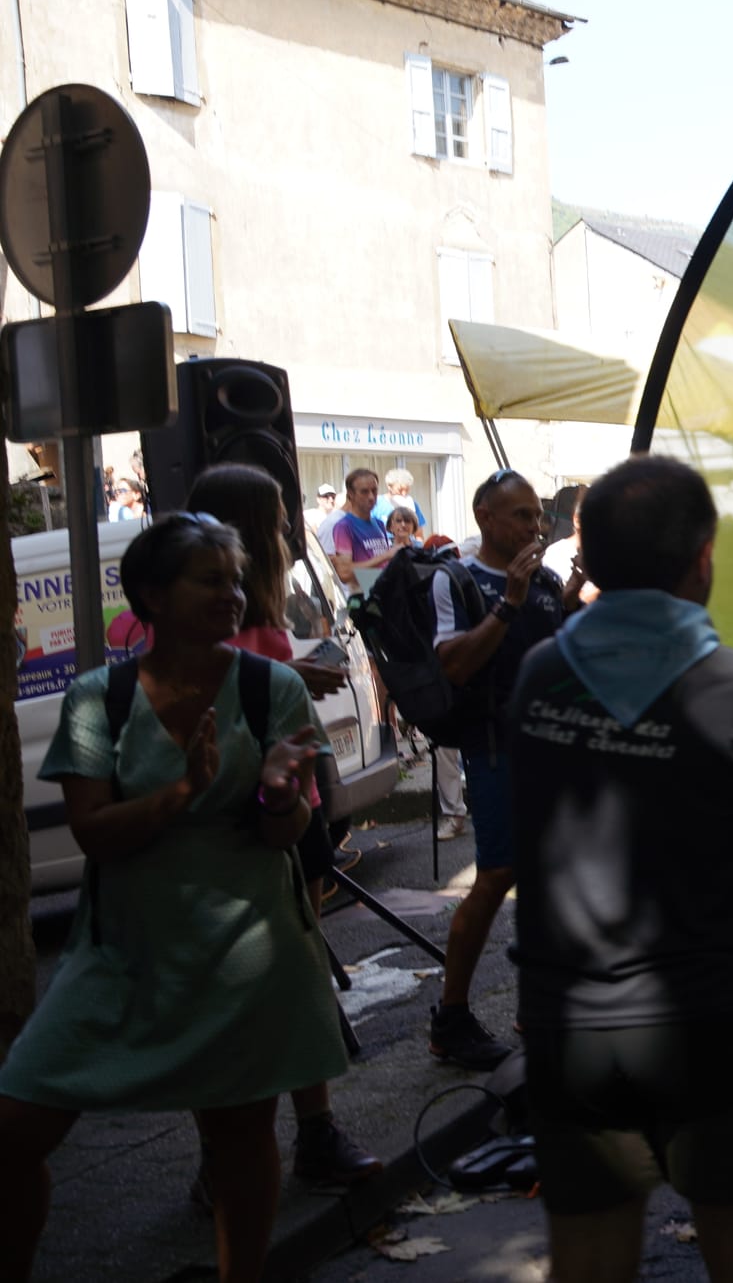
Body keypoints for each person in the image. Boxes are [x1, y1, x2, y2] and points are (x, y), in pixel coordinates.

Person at [508, 456, 733, 1283]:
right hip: (710, 1017)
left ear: (590, 557)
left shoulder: (540, 674)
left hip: (569, 1019)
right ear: (703, 556)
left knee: (588, 1261)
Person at [0, 515, 339, 1283]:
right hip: (126, 948)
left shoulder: (273, 687)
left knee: (240, 1130)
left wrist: (279, 793)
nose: (231, 594)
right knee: (16, 1127)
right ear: (152, 594)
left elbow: (287, 832)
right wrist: (181, 792)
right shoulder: (100, 697)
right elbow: (93, 833)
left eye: (235, 579)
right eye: (208, 579)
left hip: (248, 946)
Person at [182, 464, 380, 1187]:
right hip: (243, 817)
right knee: (251, 988)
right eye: (277, 520)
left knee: (295, 973)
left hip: (288, 804)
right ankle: (238, 1153)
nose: (289, 533)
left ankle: (303, 1134)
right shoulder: (217, 621)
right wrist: (290, 676)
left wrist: (291, 673)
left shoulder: (257, 613)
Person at [428, 469, 577, 1070]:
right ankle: (451, 1017)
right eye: (521, 516)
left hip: (549, 747)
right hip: (494, 746)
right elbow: (455, 664)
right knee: (495, 876)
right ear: (485, 517)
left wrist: (569, 598)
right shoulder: (456, 579)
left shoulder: (543, 579)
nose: (534, 528)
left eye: (538, 517)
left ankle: (536, 1007)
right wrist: (509, 604)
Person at [324, 469, 395, 596]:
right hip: (363, 599)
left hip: (385, 596)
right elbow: (345, 573)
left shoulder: (379, 524)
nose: (371, 497)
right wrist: (386, 556)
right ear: (351, 494)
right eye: (364, 492)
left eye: (374, 490)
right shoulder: (344, 526)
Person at [371, 467, 428, 532]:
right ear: (389, 486)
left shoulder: (412, 504)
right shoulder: (376, 503)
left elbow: (418, 533)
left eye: (407, 490)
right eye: (400, 490)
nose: (404, 493)